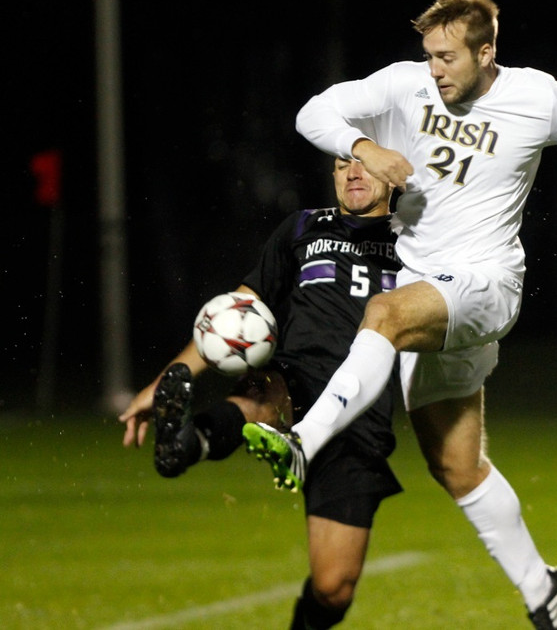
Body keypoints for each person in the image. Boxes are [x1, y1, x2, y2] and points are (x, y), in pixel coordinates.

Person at [244, 0, 557, 629]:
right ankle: (544, 587)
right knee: (455, 465)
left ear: (487, 52)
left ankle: (302, 442)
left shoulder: (538, 99)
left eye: (449, 58)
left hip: (485, 283)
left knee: (383, 316)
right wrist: (365, 147)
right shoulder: (405, 85)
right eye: (429, 55)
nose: (436, 70)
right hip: (430, 286)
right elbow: (314, 112)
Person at [120, 157, 403, 629]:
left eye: (365, 163)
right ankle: (184, 443)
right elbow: (236, 315)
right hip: (295, 374)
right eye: (341, 164)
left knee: (334, 588)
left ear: (392, 173)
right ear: (332, 176)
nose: (352, 172)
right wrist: (168, 378)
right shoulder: (303, 228)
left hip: (361, 412)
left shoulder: (418, 237)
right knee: (263, 395)